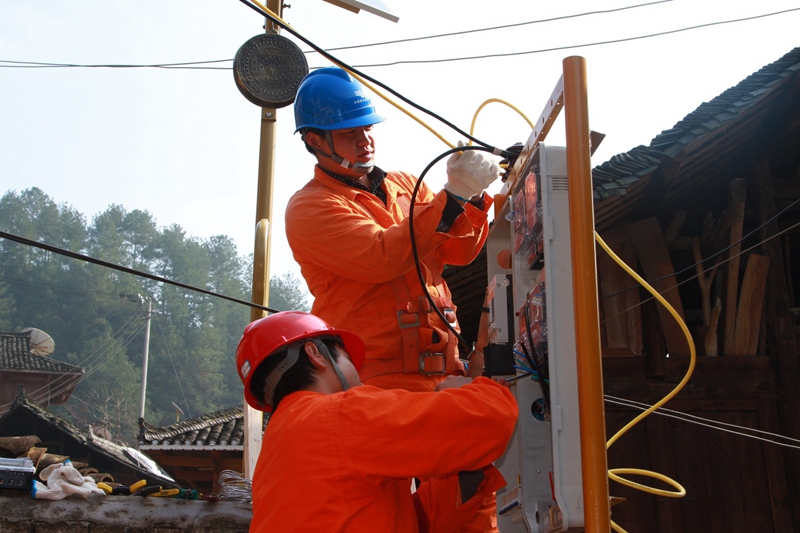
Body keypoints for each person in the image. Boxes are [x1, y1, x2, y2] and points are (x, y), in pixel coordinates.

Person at [286, 66, 501, 393]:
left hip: (446, 371)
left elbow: (458, 252)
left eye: (367, 128)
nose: (365, 141)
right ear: (315, 140)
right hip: (378, 383)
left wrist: (470, 198)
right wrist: (454, 196)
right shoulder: (310, 207)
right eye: (349, 134)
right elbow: (383, 256)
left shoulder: (404, 185)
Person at [236, 311, 518, 533]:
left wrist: (464, 474)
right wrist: (463, 393)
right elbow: (492, 421)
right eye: (348, 358)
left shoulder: (278, 447)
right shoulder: (340, 415)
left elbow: (406, 521)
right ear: (314, 353)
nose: (358, 371)